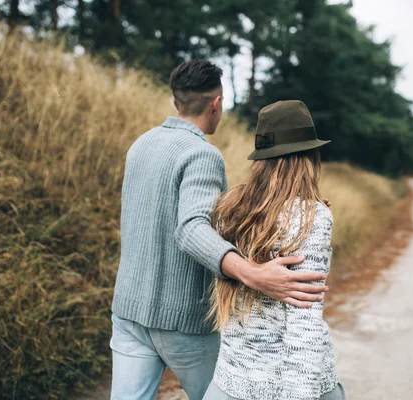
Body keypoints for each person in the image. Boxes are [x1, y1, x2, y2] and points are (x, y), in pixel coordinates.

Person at [109, 61, 330, 400]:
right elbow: (192, 228)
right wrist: (251, 274)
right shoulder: (202, 154)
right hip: (182, 320)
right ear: (216, 104)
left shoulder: (141, 144)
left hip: (128, 311)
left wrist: (292, 210)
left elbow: (211, 219)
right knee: (232, 388)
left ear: (175, 101)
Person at [203, 100, 346, 400]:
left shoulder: (230, 209)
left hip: (230, 382)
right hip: (289, 388)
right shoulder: (311, 218)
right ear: (308, 156)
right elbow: (303, 327)